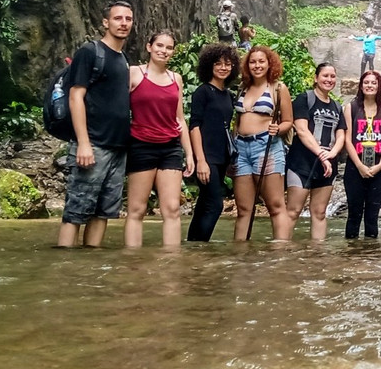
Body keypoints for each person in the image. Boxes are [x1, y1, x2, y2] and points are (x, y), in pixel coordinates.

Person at [58, 0, 134, 247]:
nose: (123, 23)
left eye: (128, 19)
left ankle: (91, 264)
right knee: (76, 210)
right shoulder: (90, 52)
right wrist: (83, 143)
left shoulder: (123, 59)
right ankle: (63, 265)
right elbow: (75, 96)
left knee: (104, 212)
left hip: (117, 148)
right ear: (105, 22)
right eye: (118, 18)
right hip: (93, 144)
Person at [123, 31, 194, 247]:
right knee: (137, 208)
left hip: (170, 148)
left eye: (169, 47)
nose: (163, 50)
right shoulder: (134, 73)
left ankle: (171, 262)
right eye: (159, 45)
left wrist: (189, 154)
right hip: (141, 145)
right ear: (149, 47)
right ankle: (132, 261)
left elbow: (179, 118)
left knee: (172, 208)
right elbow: (117, 108)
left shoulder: (176, 79)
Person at [232, 45, 294, 241]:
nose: (257, 65)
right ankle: (240, 252)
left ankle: (280, 252)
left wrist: (279, 128)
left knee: (275, 205)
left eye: (261, 61)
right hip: (241, 148)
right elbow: (237, 120)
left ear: (269, 63)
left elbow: (288, 121)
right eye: (252, 62)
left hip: (266, 146)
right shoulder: (242, 88)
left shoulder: (278, 88)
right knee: (243, 208)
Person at [285, 62, 346, 241]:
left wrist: (332, 153)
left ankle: (317, 254)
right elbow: (302, 130)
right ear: (316, 78)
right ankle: (280, 251)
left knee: (319, 213)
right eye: (325, 76)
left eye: (332, 76)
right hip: (302, 163)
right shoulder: (305, 99)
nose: (329, 80)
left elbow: (341, 134)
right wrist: (321, 154)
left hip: (328, 165)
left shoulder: (336, 106)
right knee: (293, 211)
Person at [187, 42, 240, 241]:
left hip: (221, 157)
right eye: (218, 63)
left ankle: (193, 245)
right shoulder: (203, 92)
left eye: (227, 64)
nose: (223, 67)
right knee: (215, 205)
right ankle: (201, 246)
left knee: (204, 203)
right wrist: (200, 160)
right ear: (209, 65)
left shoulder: (228, 95)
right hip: (207, 156)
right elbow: (195, 126)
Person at [342, 70, 381, 238]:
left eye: (373, 83)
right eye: (366, 82)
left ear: (379, 86)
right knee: (353, 215)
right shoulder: (351, 108)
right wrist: (359, 165)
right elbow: (347, 139)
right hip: (355, 168)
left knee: (372, 218)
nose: (370, 86)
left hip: (379, 167)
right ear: (361, 85)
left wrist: (380, 165)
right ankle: (351, 256)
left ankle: (370, 258)